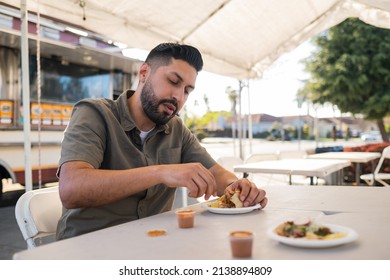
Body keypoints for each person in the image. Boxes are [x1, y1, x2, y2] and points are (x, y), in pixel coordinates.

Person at [56, 43, 268, 240]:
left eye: (187, 90)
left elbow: (215, 172)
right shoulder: (94, 113)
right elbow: (72, 189)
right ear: (144, 73)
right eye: (173, 81)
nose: (178, 96)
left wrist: (238, 187)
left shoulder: (176, 128)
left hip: (152, 243)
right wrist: (161, 172)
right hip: (88, 250)